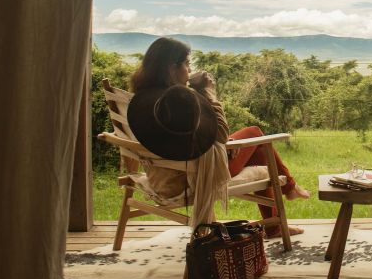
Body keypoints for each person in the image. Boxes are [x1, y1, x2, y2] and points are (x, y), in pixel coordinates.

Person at [127, 36, 309, 237]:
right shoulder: (176, 99)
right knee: (256, 135)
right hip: (195, 175)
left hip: (169, 172)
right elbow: (220, 134)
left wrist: (220, 143)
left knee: (254, 146)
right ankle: (287, 195)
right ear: (171, 68)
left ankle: (283, 205)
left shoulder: (149, 99)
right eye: (187, 64)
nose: (189, 69)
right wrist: (208, 93)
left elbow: (185, 137)